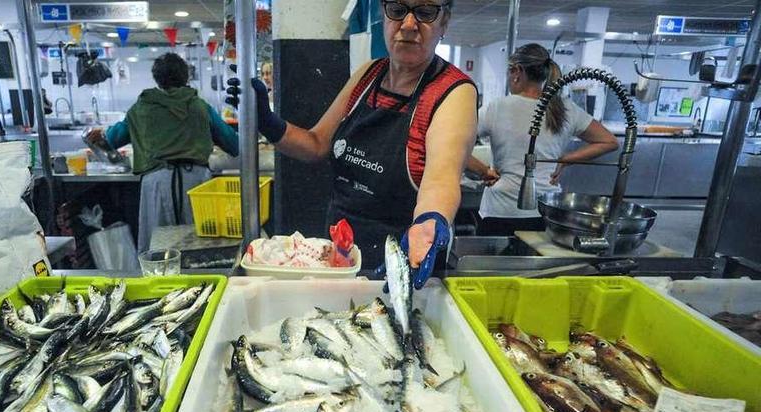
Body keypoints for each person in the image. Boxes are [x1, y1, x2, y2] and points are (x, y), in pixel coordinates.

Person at [229, 0, 481, 286]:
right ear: (383, 16)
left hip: (401, 266)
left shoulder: (453, 92)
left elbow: (440, 180)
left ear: (444, 22)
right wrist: (267, 122)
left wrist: (428, 224)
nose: (409, 25)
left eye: (425, 13)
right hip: (341, 258)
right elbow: (316, 144)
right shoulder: (368, 75)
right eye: (398, 10)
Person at [87, 53, 239, 253]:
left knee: (159, 249)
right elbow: (233, 144)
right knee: (201, 245)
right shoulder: (200, 107)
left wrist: (99, 134)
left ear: (157, 78)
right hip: (198, 186)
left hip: (157, 183)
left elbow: (112, 140)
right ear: (186, 77)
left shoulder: (141, 108)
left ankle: (160, 282)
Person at [468, 43, 618, 236]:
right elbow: (609, 141)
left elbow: (454, 147)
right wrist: (565, 160)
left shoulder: (497, 107)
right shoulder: (566, 108)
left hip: (501, 210)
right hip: (547, 211)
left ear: (517, 71)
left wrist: (483, 172)